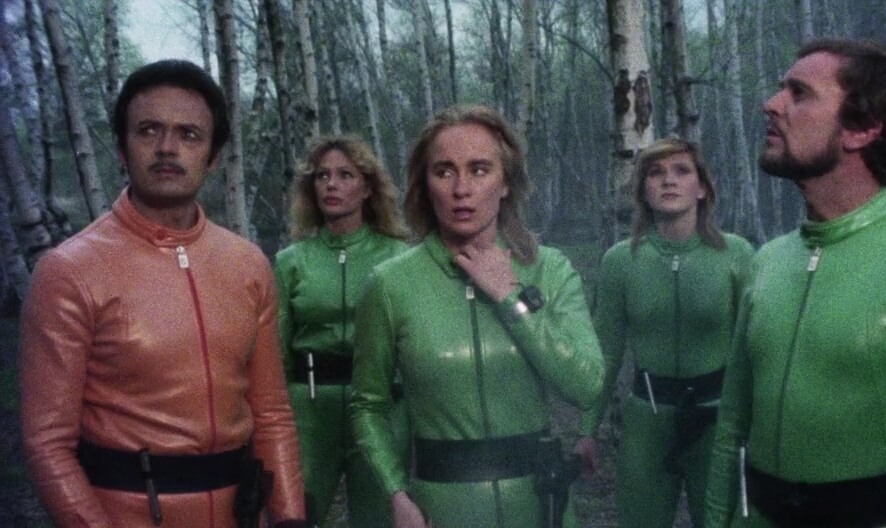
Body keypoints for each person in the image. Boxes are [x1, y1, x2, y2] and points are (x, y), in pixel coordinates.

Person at [19, 60, 307, 527]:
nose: (167, 148)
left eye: (189, 134)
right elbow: (47, 443)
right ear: (121, 147)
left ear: (213, 156)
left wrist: (290, 518)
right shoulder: (69, 272)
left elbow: (271, 413)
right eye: (149, 130)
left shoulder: (247, 264)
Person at [704, 38, 886, 527]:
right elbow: (731, 428)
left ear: (863, 128)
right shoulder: (768, 261)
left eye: (799, 93)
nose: (771, 104)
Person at [349, 105, 605, 528]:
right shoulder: (390, 284)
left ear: (506, 183)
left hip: (540, 506)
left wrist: (510, 298)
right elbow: (367, 405)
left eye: (480, 170)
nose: (461, 189)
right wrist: (396, 493)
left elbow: (587, 385)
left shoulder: (550, 269)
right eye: (444, 171)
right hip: (441, 506)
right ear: (424, 184)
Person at [575, 138, 753, 527]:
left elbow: (754, 348)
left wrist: (756, 423)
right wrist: (587, 429)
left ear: (701, 188)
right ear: (642, 190)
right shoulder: (621, 261)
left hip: (718, 420)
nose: (668, 180)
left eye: (681, 171)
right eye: (656, 173)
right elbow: (606, 351)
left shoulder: (736, 254)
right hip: (647, 421)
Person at [274, 135, 410, 527]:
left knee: (379, 515)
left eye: (345, 175)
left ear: (367, 188)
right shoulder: (291, 261)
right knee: (297, 513)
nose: (331, 185)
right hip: (311, 407)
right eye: (322, 176)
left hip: (383, 405)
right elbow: (276, 350)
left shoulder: (398, 257)